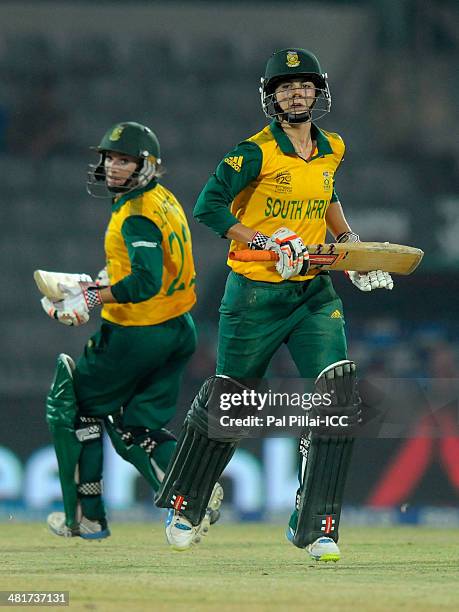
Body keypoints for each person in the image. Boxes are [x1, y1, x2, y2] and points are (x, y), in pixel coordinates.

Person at [156, 49, 394, 560]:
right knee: (231, 402)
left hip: (313, 291)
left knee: (337, 396)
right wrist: (262, 241)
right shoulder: (253, 153)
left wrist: (352, 248)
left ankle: (317, 526)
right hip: (255, 294)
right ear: (270, 97)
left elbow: (326, 198)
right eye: (285, 86)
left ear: (318, 91)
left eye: (304, 84)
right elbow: (208, 206)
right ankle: (186, 503)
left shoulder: (333, 148)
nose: (296, 92)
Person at [41, 121, 222, 539]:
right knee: (135, 428)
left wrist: (90, 299)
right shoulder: (162, 199)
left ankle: (86, 516)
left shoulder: (136, 215)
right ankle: (190, 493)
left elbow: (145, 281)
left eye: (124, 160)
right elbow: (151, 266)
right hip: (178, 329)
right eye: (109, 158)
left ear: (147, 165)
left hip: (138, 333)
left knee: (72, 405)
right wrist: (98, 282)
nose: (113, 167)